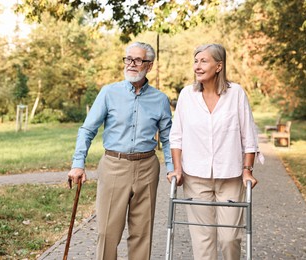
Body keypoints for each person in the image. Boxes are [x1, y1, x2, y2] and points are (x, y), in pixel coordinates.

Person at [67, 41, 174, 260]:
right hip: (114, 165)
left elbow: (168, 138)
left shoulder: (160, 99)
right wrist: (78, 164)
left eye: (137, 60)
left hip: (147, 167)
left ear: (149, 66)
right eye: (128, 59)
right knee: (107, 232)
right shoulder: (109, 93)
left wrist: (172, 168)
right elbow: (87, 130)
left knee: (142, 233)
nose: (131, 64)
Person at [168, 43, 264, 260]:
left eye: (203, 61)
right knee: (203, 240)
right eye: (195, 61)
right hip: (195, 177)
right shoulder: (187, 95)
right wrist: (177, 168)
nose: (197, 66)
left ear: (219, 66)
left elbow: (248, 135)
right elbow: (177, 136)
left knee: (230, 238)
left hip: (230, 177)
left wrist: (247, 170)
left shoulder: (236, 93)